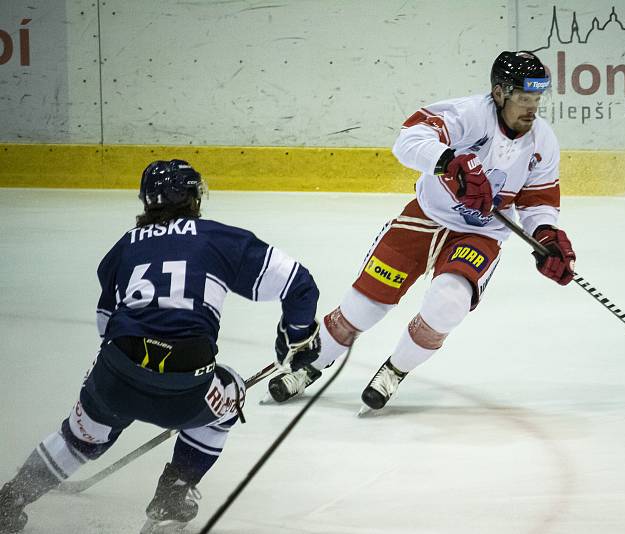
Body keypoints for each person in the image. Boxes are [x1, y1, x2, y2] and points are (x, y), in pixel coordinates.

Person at [0, 160, 321, 534]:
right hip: (187, 386)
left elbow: (106, 325)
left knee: (81, 436)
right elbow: (299, 283)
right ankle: (171, 499)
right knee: (227, 395)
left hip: (116, 376)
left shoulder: (122, 248)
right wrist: (295, 338)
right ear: (192, 198)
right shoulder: (217, 238)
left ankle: (12, 499)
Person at [266, 51, 576, 410]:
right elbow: (409, 139)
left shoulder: (542, 142)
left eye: (537, 99)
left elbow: (537, 201)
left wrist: (546, 236)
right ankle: (310, 366)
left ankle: (395, 370)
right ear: (499, 93)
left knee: (449, 302)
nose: (532, 108)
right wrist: (447, 162)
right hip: (426, 218)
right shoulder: (469, 116)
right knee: (363, 308)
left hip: (481, 234)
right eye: (524, 98)